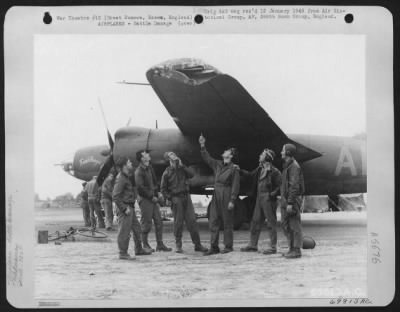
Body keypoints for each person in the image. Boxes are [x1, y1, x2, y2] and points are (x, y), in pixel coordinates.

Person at [199, 134, 240, 255]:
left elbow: (235, 186)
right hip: (216, 193)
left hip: (227, 194)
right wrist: (202, 145)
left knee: (227, 221)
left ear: (231, 155)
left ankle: (228, 246)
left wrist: (232, 200)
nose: (224, 152)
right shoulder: (217, 164)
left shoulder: (234, 169)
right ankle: (214, 247)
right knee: (213, 220)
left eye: (226, 151)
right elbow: (207, 158)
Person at [160, 151, 208, 254]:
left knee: (192, 222)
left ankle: (198, 245)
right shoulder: (167, 173)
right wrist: (170, 198)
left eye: (174, 155)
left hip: (187, 197)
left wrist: (182, 165)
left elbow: (192, 175)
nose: (174, 158)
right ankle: (178, 245)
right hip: (176, 199)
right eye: (171, 156)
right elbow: (163, 189)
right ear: (168, 160)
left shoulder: (182, 169)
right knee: (178, 223)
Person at [240, 148, 282, 254]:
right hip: (259, 198)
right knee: (255, 222)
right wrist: (239, 170)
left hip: (268, 199)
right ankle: (252, 245)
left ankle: (273, 247)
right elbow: (250, 175)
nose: (260, 156)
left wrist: (271, 195)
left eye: (262, 154)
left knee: (271, 223)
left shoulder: (275, 172)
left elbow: (280, 186)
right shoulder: (260, 169)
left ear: (267, 158)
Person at [113, 157, 152, 260]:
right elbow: (115, 196)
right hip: (125, 208)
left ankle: (138, 249)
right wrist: (124, 208)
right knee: (124, 232)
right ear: (124, 165)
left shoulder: (126, 176)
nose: (131, 163)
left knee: (137, 229)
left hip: (130, 207)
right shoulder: (121, 178)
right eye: (129, 162)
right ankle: (123, 253)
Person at [134, 150, 172, 252]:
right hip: (145, 200)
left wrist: (158, 193)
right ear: (142, 158)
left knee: (159, 222)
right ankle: (145, 245)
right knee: (146, 223)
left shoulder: (149, 168)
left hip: (152, 199)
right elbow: (140, 188)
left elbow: (154, 182)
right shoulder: (138, 171)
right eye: (145, 154)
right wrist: (151, 196)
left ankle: (160, 245)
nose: (148, 155)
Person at [280, 143, 305, 259]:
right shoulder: (288, 166)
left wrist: (290, 203)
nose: (281, 152)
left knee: (294, 224)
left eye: (283, 150)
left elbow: (294, 186)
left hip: (292, 200)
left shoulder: (294, 166)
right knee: (286, 224)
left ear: (288, 153)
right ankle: (291, 248)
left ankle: (296, 250)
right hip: (287, 199)